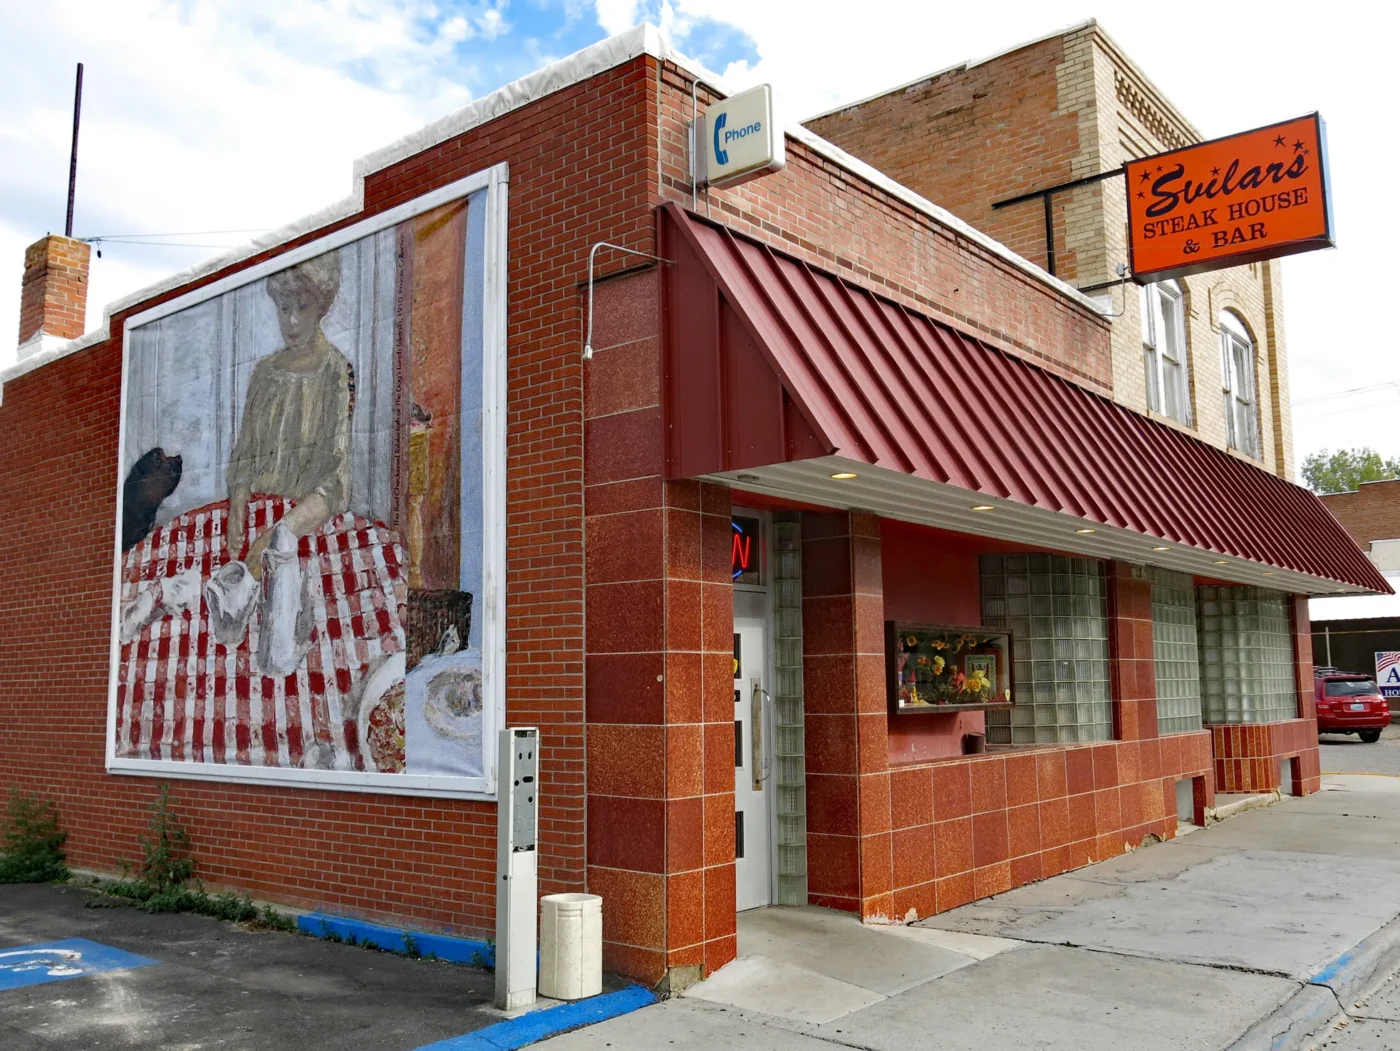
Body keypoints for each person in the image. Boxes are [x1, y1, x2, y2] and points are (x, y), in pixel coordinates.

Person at [225, 252, 352, 575]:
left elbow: (335, 480)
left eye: (303, 307)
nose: (292, 321)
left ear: (321, 307)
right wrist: (238, 500)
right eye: (284, 309)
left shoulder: (334, 371)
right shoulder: (264, 372)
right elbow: (246, 452)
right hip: (256, 515)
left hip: (304, 523)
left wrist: (281, 533)